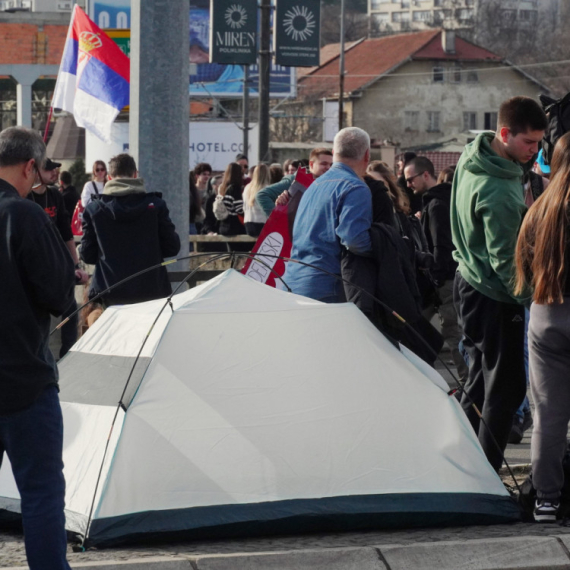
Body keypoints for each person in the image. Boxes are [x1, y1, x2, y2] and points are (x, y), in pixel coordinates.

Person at [451, 96, 547, 472]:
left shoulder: (471, 154)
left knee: (477, 380)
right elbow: (507, 263)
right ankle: (487, 474)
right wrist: (532, 300)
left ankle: (462, 465)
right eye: (528, 142)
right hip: (495, 294)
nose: (534, 150)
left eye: (539, 142)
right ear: (505, 134)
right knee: (506, 389)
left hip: (467, 282)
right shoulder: (499, 192)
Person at [0, 126, 75, 569]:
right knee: (42, 495)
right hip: (24, 382)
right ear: (30, 166)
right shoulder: (24, 216)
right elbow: (60, 297)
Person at [515, 131, 570, 522]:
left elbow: (522, 266)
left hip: (546, 312)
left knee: (548, 413)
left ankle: (546, 498)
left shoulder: (538, 210)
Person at [284, 127, 372, 302]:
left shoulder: (314, 186)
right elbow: (354, 239)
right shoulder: (355, 187)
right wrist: (386, 247)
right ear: (367, 155)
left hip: (293, 281)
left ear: (334, 152)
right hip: (327, 285)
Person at [80, 153, 180, 306]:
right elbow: (172, 248)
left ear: (109, 177)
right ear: (135, 175)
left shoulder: (95, 209)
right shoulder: (156, 205)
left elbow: (87, 255)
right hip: (152, 291)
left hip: (110, 292)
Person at [404, 156, 468, 383]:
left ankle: (468, 384)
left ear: (425, 175)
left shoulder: (437, 204)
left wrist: (436, 275)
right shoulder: (442, 199)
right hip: (446, 278)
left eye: (411, 179)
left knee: (453, 333)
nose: (408, 184)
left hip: (445, 279)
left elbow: (441, 245)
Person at [28, 158, 88, 358]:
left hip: (60, 267)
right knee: (47, 326)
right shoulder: (26, 198)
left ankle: (67, 359)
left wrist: (75, 264)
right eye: (49, 169)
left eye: (55, 168)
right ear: (35, 171)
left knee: (71, 316)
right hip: (40, 270)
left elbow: (66, 233)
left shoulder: (55, 194)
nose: (54, 173)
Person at [257, 148, 333, 216]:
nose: (328, 168)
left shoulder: (329, 183)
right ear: (311, 164)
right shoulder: (296, 180)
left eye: (331, 165)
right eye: (324, 164)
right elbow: (262, 195)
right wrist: (277, 217)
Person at [214, 162, 246, 236]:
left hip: (223, 225)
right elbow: (239, 209)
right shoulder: (235, 188)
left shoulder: (223, 188)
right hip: (234, 227)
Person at [243, 163, 271, 237]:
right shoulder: (267, 189)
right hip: (261, 224)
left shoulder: (247, 187)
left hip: (248, 224)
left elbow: (244, 206)